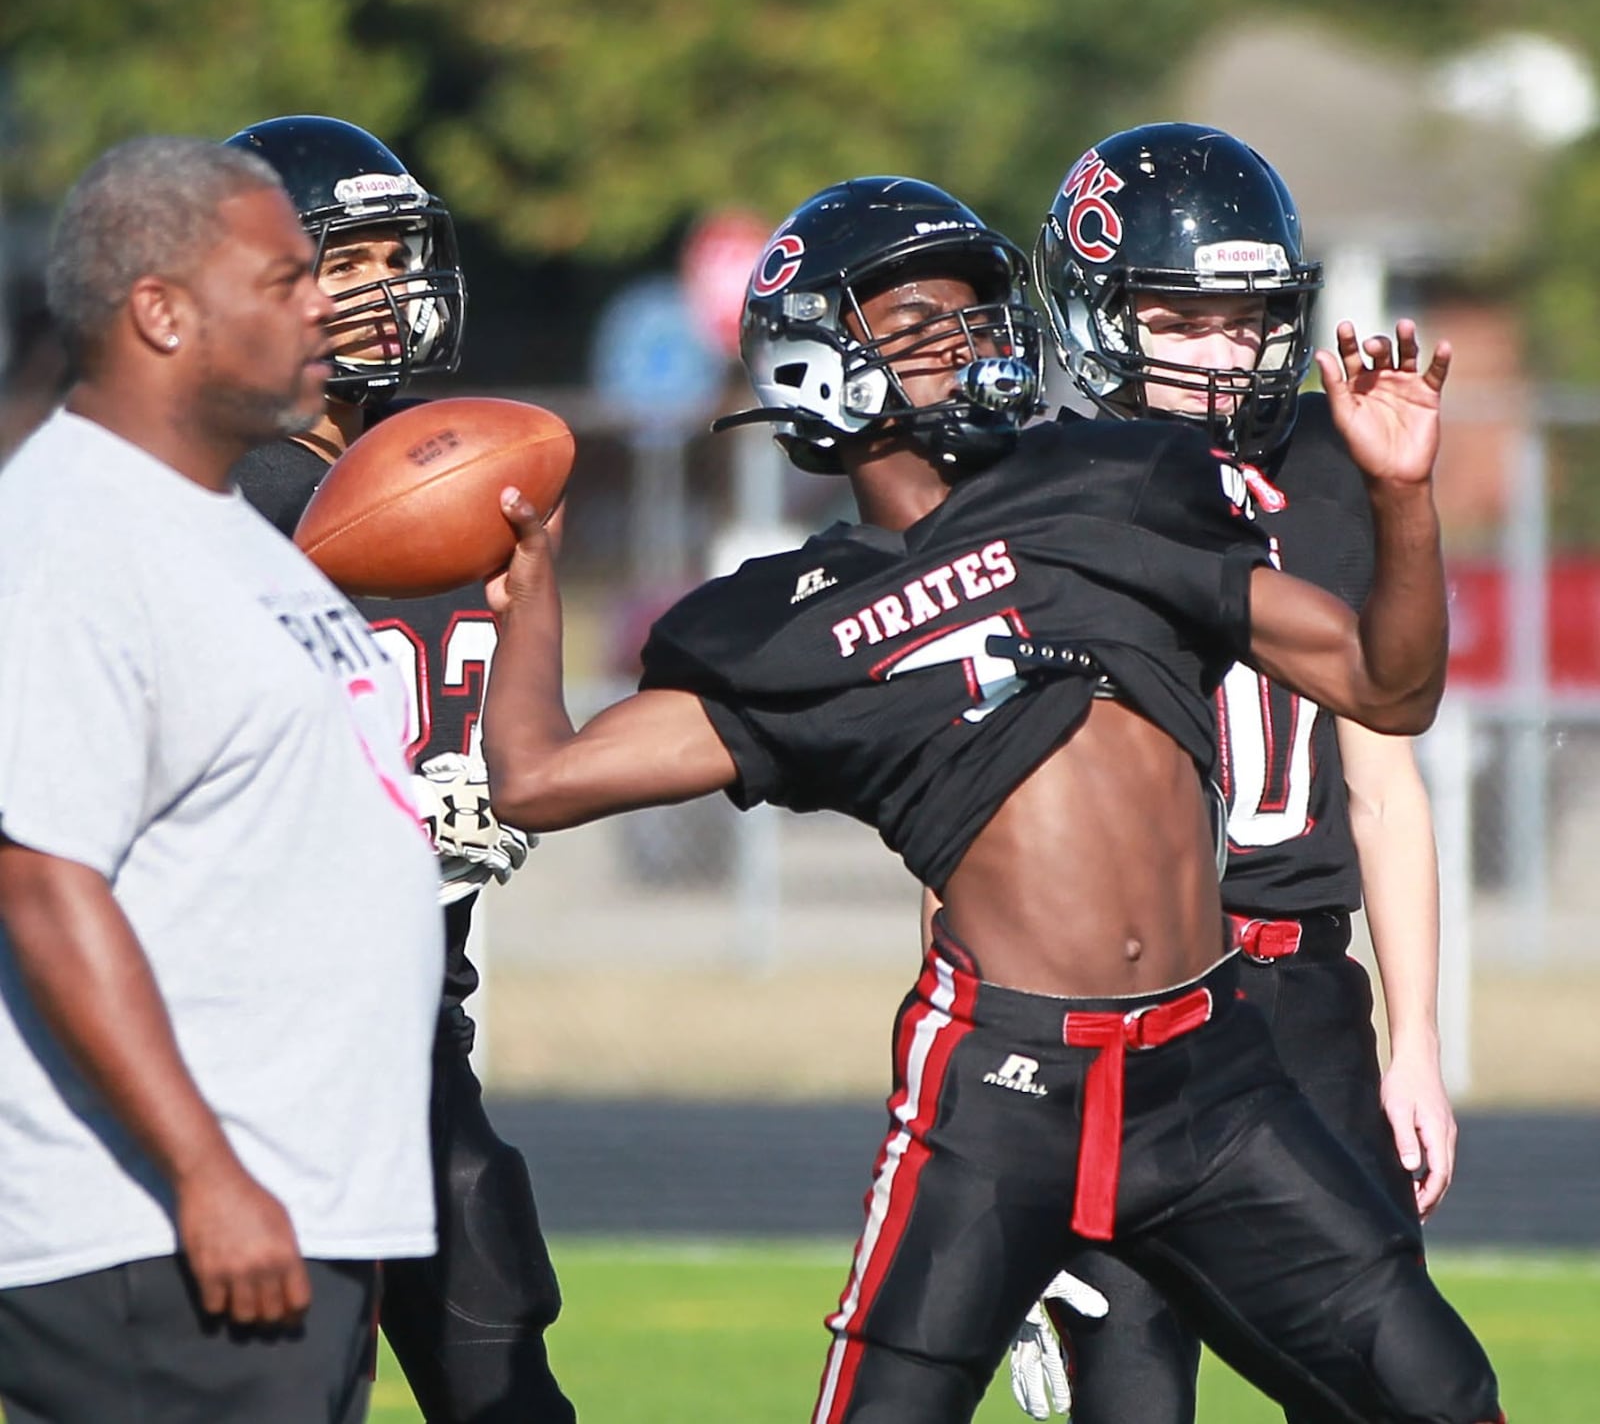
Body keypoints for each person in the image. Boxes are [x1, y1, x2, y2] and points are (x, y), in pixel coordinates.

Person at [478, 174, 1501, 1424]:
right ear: (818, 363)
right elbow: (537, 778)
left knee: (1440, 1391)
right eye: (921, 324)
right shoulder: (793, 627)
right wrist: (526, 592)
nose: (969, 342)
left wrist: (1402, 500)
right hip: (1004, 1087)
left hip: (1209, 1062)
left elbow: (1386, 694)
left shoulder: (1111, 487)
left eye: (976, 314)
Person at [1007, 121, 1457, 1424]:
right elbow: (984, 836)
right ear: (1101, 311)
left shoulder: (1334, 468)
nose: (1223, 353)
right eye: (1184, 319)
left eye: (1248, 320)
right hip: (1121, 999)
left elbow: (1385, 784)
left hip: (1303, 986)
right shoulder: (1037, 495)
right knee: (1133, 1392)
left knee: (1384, 1385)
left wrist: (1415, 1039)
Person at [0, 136, 441, 1422]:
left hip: (290, 1209)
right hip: (154, 1235)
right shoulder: (74, 532)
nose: (325, 304)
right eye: (285, 277)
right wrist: (206, 1175)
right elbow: (39, 875)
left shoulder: (221, 532)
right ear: (161, 311)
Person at [222, 115, 574, 1424]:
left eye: (396, 255)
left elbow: (524, 750)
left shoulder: (459, 475)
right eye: (346, 261)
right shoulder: (202, 489)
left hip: (417, 1046)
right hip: (248, 1060)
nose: (388, 287)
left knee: (511, 1386)